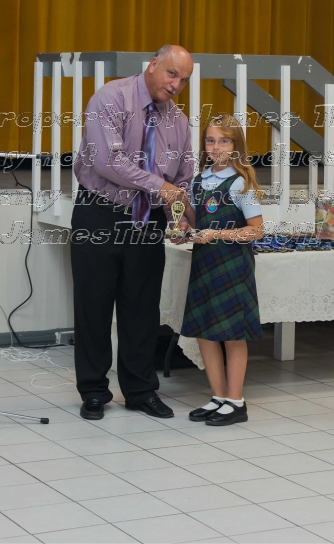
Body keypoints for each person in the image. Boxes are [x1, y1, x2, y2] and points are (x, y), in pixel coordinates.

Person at [71, 44, 194, 420]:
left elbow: (183, 179)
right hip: (100, 213)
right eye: (172, 74)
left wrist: (179, 217)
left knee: (142, 308)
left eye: (184, 80)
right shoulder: (111, 98)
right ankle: (94, 391)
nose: (176, 85)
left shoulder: (179, 121)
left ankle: (140, 391)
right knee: (93, 305)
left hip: (149, 219)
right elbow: (108, 162)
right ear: (153, 64)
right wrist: (161, 187)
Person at [180, 114, 264, 426]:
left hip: (232, 266)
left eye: (224, 141)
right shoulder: (198, 181)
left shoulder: (241, 182)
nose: (216, 147)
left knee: (232, 334)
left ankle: (236, 401)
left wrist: (217, 234)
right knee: (206, 332)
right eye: (211, 140)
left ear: (236, 145)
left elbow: (256, 230)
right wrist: (183, 226)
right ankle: (218, 396)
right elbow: (194, 219)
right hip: (204, 264)